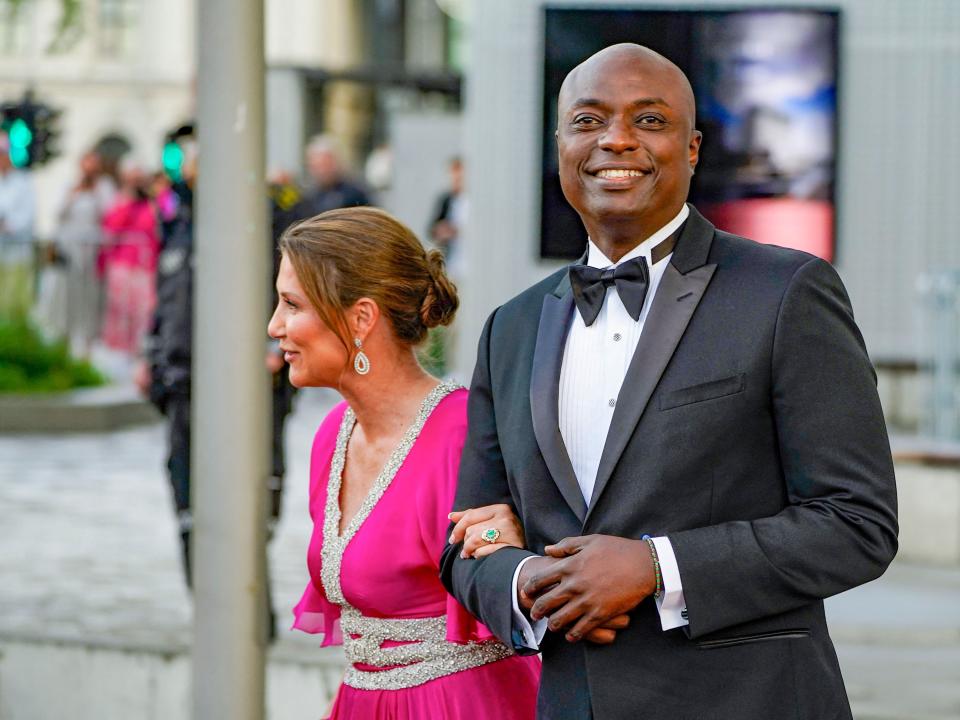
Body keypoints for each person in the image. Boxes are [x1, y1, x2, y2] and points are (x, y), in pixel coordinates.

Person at [440, 44, 898, 719]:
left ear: (692, 149)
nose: (615, 139)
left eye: (649, 121)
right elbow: (467, 539)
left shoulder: (788, 292)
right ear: (561, 142)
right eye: (589, 120)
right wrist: (528, 579)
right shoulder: (511, 326)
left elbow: (857, 523)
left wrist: (657, 567)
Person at [268, 207, 539, 719]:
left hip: (464, 705)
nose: (275, 325)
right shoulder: (333, 434)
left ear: (361, 318)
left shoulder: (462, 433)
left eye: (290, 304)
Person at [47, 151, 115, 356]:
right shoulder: (69, 185)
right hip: (70, 252)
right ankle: (63, 340)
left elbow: (110, 216)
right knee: (66, 298)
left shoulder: (104, 187)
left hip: (92, 255)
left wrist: (94, 193)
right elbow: (57, 214)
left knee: (90, 300)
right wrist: (74, 194)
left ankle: (87, 345)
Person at [99, 159, 159, 356]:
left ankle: (139, 354)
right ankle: (120, 356)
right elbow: (111, 228)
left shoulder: (152, 203)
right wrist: (128, 200)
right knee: (120, 315)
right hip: (122, 266)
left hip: (145, 267)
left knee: (143, 314)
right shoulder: (119, 200)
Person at [0, 130, 36, 318]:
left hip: (17, 250)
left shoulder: (23, 181)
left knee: (16, 295)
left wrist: (8, 225)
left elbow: (27, 215)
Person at [291, 134, 370, 218]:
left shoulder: (354, 193)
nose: (321, 171)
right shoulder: (306, 194)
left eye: (325, 164)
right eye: (316, 165)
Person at [429, 156, 467, 280]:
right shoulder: (447, 200)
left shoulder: (471, 201)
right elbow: (433, 229)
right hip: (454, 264)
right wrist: (441, 231)